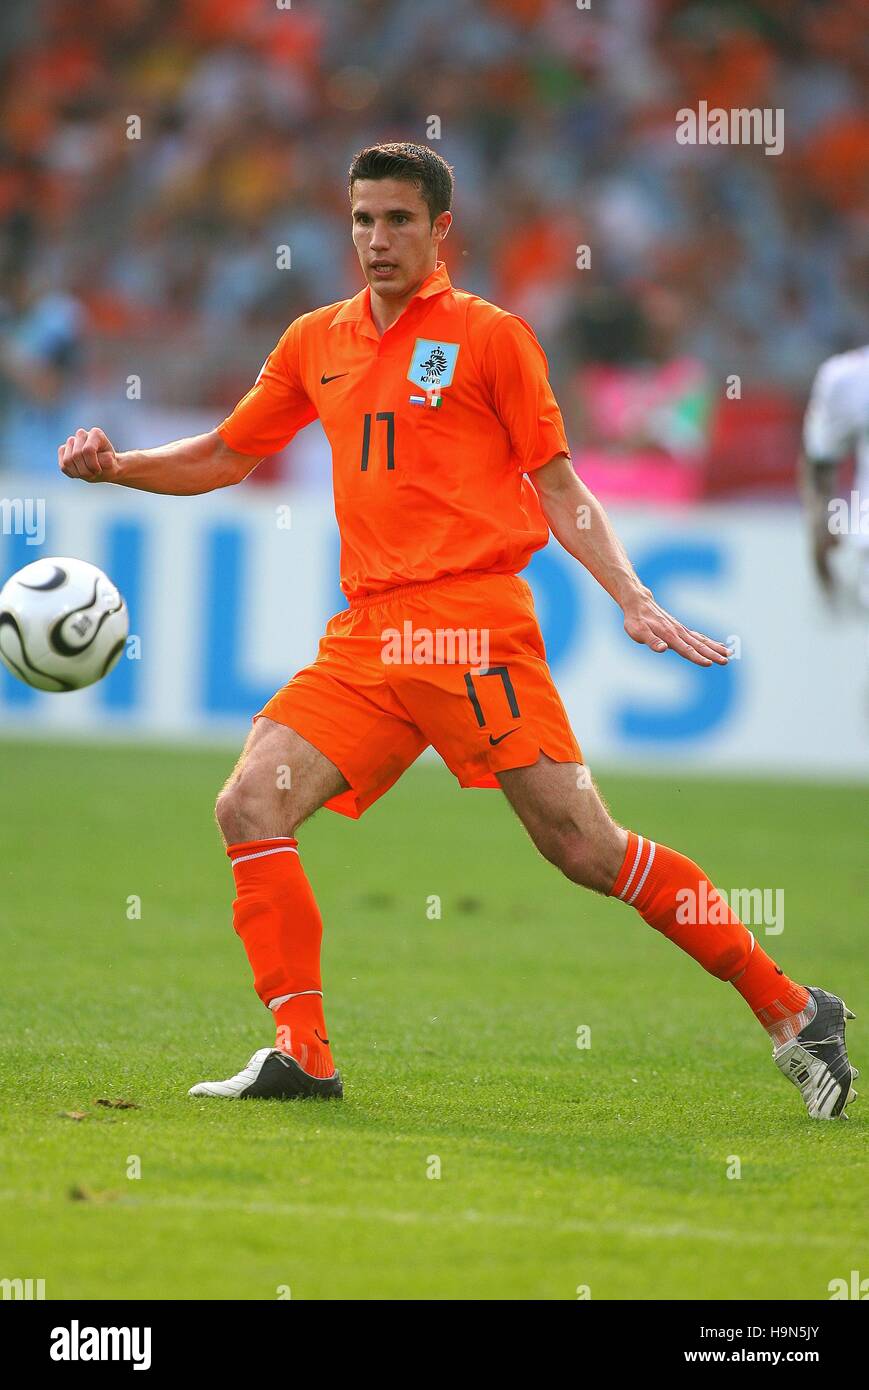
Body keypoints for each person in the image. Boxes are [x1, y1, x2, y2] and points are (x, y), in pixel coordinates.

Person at [58, 143, 857, 1118]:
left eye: (397, 220)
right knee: (246, 804)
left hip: (470, 623)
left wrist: (629, 592)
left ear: (440, 230)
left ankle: (789, 1009)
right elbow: (226, 454)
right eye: (361, 220)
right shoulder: (316, 339)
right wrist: (118, 464)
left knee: (581, 847)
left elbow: (558, 489)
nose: (376, 239)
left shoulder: (490, 338)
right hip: (367, 635)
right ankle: (301, 1053)